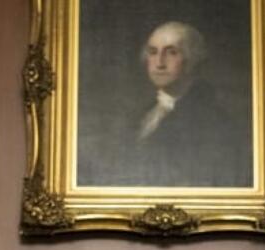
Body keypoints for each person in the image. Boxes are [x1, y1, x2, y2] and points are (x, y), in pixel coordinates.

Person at [79, 20, 251, 188]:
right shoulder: (142, 114)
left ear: (192, 59)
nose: (159, 63)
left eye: (172, 52)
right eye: (153, 52)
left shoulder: (214, 121)